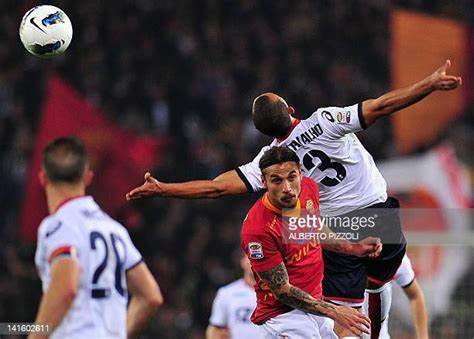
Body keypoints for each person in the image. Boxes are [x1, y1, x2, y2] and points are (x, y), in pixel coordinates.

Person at [126, 60, 461, 338]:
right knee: (379, 285)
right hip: (381, 214)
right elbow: (382, 106)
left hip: (340, 229)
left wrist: (164, 188)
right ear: (289, 108)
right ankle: (379, 332)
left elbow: (216, 187)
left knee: (344, 313)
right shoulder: (326, 120)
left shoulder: (271, 161)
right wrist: (428, 85)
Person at [241, 146, 383, 338]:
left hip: (316, 305)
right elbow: (282, 291)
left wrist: (352, 247)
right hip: (284, 316)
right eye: (277, 180)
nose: (287, 188)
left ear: (300, 173)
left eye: (292, 177)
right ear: (263, 181)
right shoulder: (258, 228)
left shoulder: (308, 188)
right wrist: (335, 311)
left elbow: (310, 228)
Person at [29, 136, 163, 339]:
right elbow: (150, 297)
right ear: (87, 177)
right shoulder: (114, 230)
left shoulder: (58, 225)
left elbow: (66, 288)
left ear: (42, 178)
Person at [363, 254, 429, 339]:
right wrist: (339, 312)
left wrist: (423, 337)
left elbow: (415, 295)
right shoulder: (342, 254)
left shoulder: (393, 254)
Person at [206, 254, 261, 339]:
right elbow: (215, 329)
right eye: (251, 257)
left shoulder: (279, 293)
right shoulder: (226, 293)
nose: (255, 261)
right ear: (243, 262)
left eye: (259, 258)